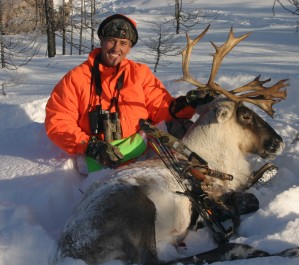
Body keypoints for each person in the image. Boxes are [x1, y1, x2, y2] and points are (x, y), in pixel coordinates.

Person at [45, 14, 210, 173]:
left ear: (129, 47)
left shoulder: (139, 74)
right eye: (111, 41)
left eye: (123, 43)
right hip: (100, 159)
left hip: (140, 148)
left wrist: (187, 104)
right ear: (101, 41)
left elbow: (161, 108)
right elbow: (58, 122)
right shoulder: (76, 78)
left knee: (185, 130)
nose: (117, 48)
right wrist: (90, 146)